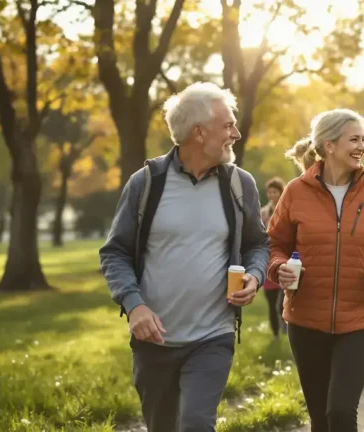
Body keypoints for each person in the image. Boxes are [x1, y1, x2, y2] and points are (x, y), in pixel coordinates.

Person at [99, 82, 269, 432]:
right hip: (153, 342)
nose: (236, 134)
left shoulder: (240, 185)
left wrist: (255, 276)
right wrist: (134, 306)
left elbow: (258, 244)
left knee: (196, 423)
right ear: (198, 132)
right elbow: (115, 253)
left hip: (213, 336)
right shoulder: (146, 184)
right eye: (227, 126)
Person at [266, 108, 364, 432]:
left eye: (363, 140)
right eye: (354, 140)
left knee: (341, 412)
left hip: (362, 317)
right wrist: (278, 268)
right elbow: (274, 244)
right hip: (306, 318)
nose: (362, 147)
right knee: (320, 418)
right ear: (329, 145)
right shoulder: (296, 191)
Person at [260, 176, 288, 339]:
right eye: (269, 192)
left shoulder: (287, 210)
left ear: (281, 192)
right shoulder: (263, 212)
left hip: (285, 259)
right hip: (268, 259)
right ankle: (276, 333)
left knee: (283, 299)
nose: (271, 195)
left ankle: (285, 323)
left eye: (274, 192)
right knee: (271, 300)